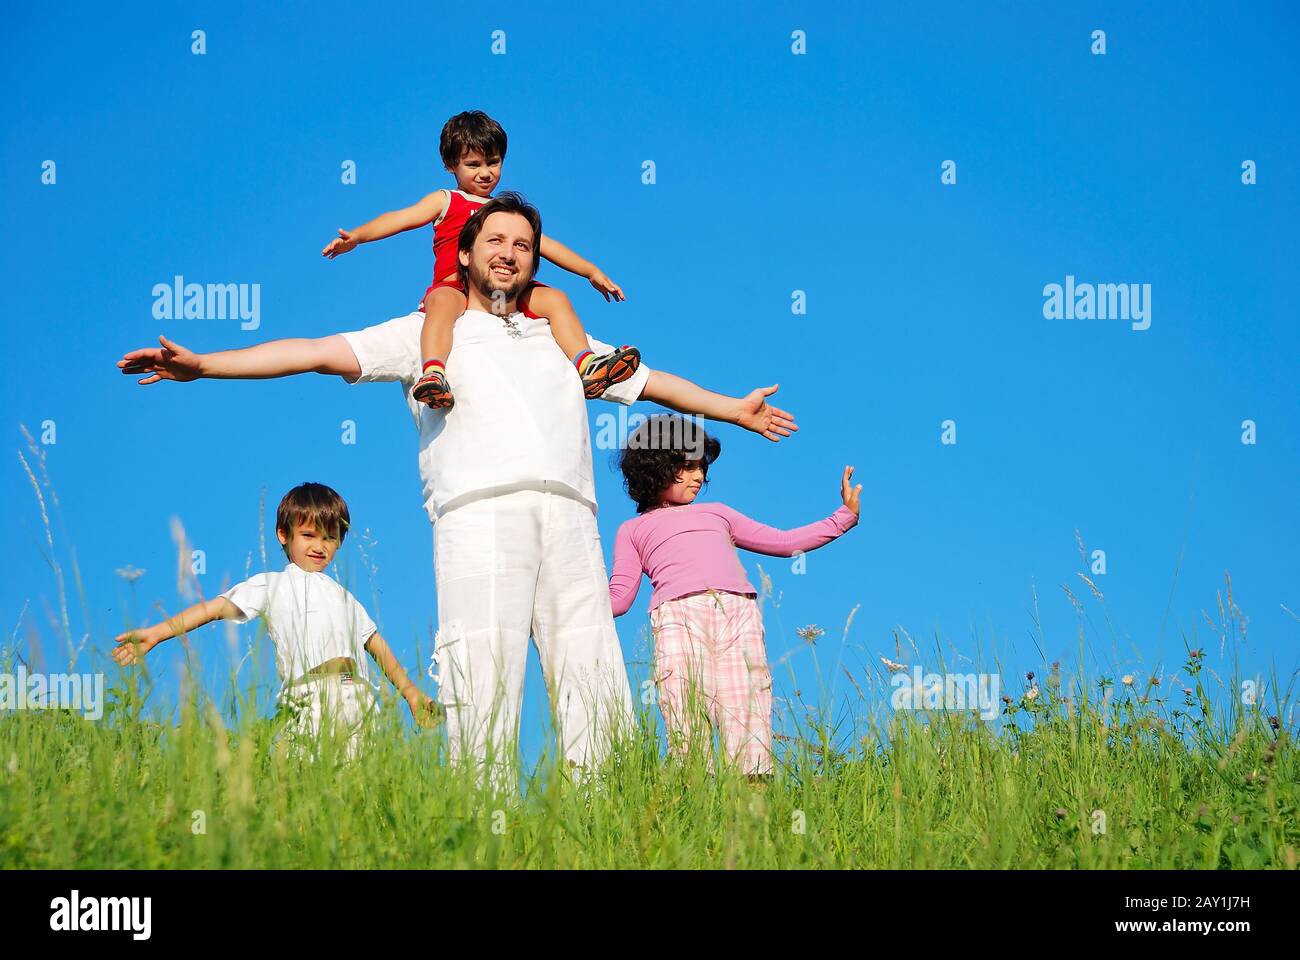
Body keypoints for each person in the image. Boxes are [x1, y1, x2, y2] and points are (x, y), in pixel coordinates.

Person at [117, 193, 799, 777]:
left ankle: (602, 816)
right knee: (481, 678)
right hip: (478, 518)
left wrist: (732, 409)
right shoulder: (425, 331)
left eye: (525, 245)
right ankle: (486, 820)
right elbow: (316, 352)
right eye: (495, 240)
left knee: (595, 681)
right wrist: (206, 364)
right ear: (465, 253)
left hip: (569, 519)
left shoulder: (564, 341)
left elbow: (656, 383)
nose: (510, 252)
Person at [321, 110, 639, 408]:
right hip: (456, 286)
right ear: (450, 165)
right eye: (474, 165)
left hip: (504, 291)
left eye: (493, 163)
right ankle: (433, 373)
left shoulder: (503, 212)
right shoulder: (447, 200)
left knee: (555, 299)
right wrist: (359, 236)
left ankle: (586, 363)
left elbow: (546, 245)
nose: (486, 173)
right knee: (440, 308)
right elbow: (402, 217)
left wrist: (591, 271)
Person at [609, 415, 860, 778]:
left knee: (747, 710)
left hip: (737, 616)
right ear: (657, 466)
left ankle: (753, 810)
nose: (699, 477)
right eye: (688, 466)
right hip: (678, 620)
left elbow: (785, 542)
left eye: (701, 468)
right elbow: (619, 597)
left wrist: (843, 516)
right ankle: (694, 803)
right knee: (684, 710)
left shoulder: (718, 513)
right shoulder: (632, 530)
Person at [112, 482, 440, 758]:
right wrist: (157, 632)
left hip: (360, 699)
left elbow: (377, 647)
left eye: (330, 538)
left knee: (360, 789)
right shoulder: (272, 584)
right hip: (310, 697)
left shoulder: (345, 597)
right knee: (310, 779)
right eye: (309, 535)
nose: (320, 546)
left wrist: (411, 694)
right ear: (284, 534)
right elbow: (213, 608)